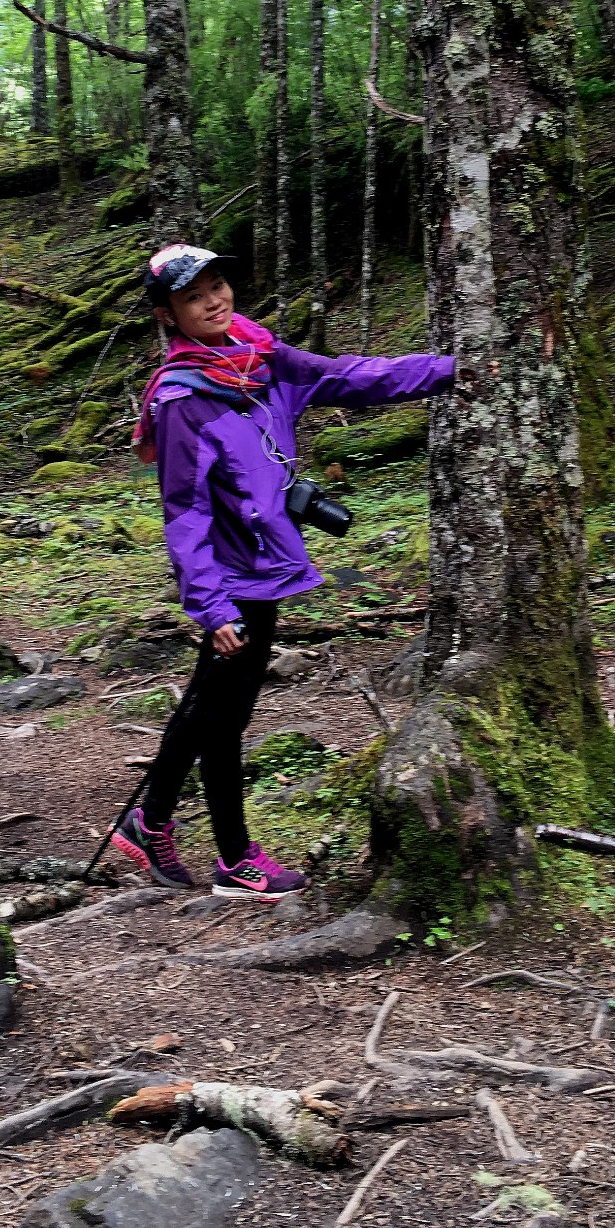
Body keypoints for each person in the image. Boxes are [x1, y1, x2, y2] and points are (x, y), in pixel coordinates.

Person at [112, 242, 455, 898]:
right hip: (233, 579)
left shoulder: (263, 359)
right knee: (225, 717)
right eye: (193, 296)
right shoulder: (184, 400)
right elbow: (183, 512)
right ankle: (235, 859)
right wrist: (212, 608)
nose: (214, 301)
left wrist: (447, 371)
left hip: (264, 563)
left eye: (217, 284)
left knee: (209, 704)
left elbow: (353, 376)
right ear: (169, 316)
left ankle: (148, 819)